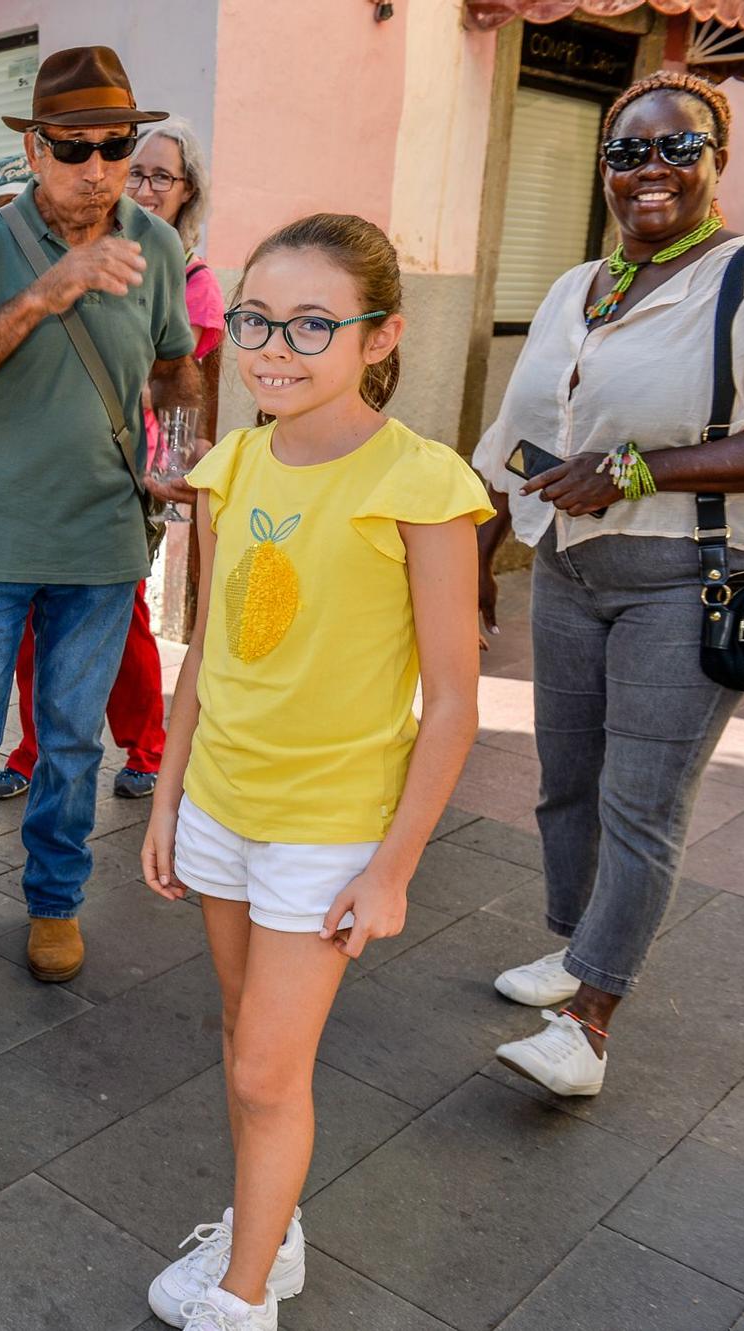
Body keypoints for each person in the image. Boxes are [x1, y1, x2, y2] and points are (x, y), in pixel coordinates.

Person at [142, 214, 487, 1331]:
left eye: (309, 324)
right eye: (252, 318)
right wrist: (164, 797)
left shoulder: (420, 482)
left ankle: (242, 1300)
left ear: (378, 337)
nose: (271, 346)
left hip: (327, 825)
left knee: (261, 1073)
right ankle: (268, 1230)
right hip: (220, 807)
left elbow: (452, 705)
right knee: (244, 1045)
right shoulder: (229, 462)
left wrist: (390, 868)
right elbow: (204, 648)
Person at [0, 46, 204, 990]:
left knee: (74, 744)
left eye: (117, 146)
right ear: (36, 149)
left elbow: (172, 366)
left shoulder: (158, 248)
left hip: (102, 539)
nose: (100, 169)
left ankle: (54, 902)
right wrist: (45, 294)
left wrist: (179, 448)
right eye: (75, 148)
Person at [473, 71, 744, 1098]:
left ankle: (589, 1020)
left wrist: (639, 466)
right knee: (564, 781)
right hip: (565, 567)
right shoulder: (571, 285)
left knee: (641, 800)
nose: (651, 170)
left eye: (679, 147)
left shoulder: (735, 278)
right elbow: (514, 434)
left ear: (714, 160)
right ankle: (573, 946)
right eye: (627, 151)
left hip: (682, 574)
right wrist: (479, 550)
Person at [0, 118, 224, 805]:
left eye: (161, 175)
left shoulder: (193, 279)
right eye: (136, 168)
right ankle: (33, 748)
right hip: (50, 471)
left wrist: (180, 466)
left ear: (188, 193)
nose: (142, 185)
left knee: (123, 620)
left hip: (129, 474)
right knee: (35, 618)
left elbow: (184, 389)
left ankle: (146, 745)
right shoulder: (74, 251)